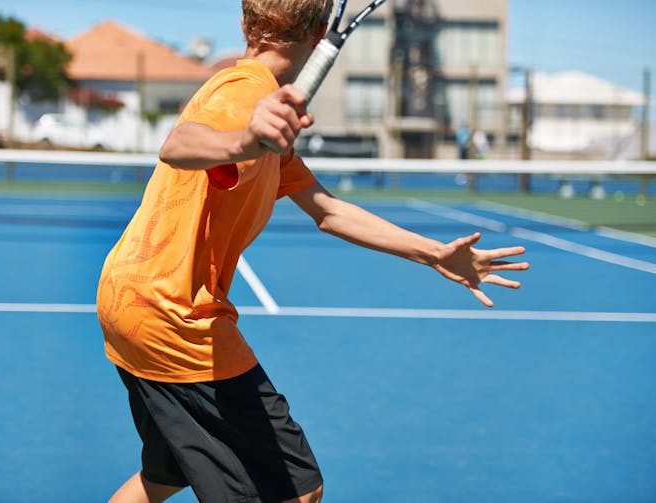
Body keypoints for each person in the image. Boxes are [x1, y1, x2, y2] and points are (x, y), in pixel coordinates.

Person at [96, 1, 529, 501]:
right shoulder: (245, 94)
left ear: (245, 24)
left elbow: (328, 210)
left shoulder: (262, 111)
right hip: (174, 317)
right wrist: (244, 140)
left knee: (165, 475)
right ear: (323, 32)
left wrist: (435, 253)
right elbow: (178, 143)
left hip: (126, 300)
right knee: (295, 491)